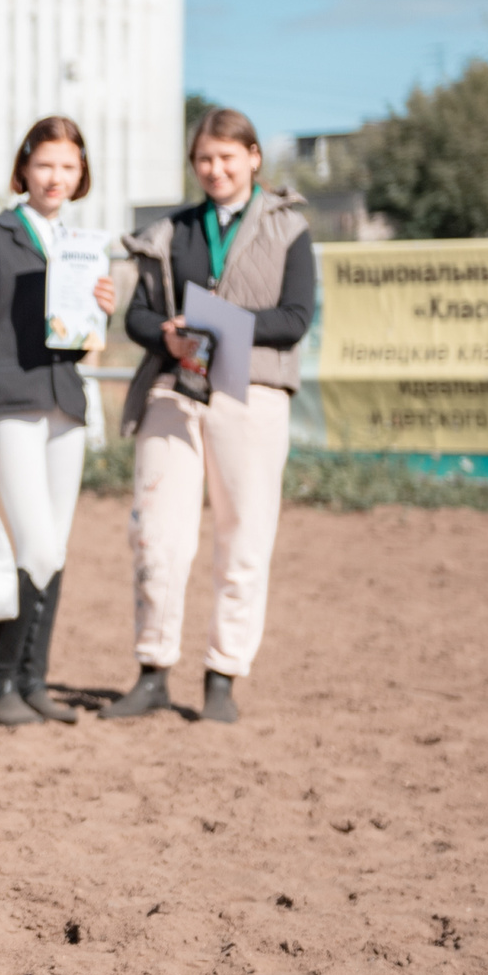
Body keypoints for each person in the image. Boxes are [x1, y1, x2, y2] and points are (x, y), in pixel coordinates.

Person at [109, 106, 315, 724]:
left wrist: (226, 327)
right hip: (176, 389)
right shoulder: (172, 230)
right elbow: (139, 316)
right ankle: (152, 669)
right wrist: (166, 336)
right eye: (204, 159)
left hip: (252, 396)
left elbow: (296, 318)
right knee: (157, 536)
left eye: (228, 157)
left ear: (254, 157)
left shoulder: (290, 230)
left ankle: (223, 676)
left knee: (244, 537)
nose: (215, 169)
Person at [0, 117, 118, 728]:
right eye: (46, 164)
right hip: (11, 409)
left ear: (82, 176)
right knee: (37, 545)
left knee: (56, 550)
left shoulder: (80, 245)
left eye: (69, 167)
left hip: (65, 405)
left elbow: (75, 343)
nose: (56, 177)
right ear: (24, 168)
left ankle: (34, 679)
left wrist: (99, 313)